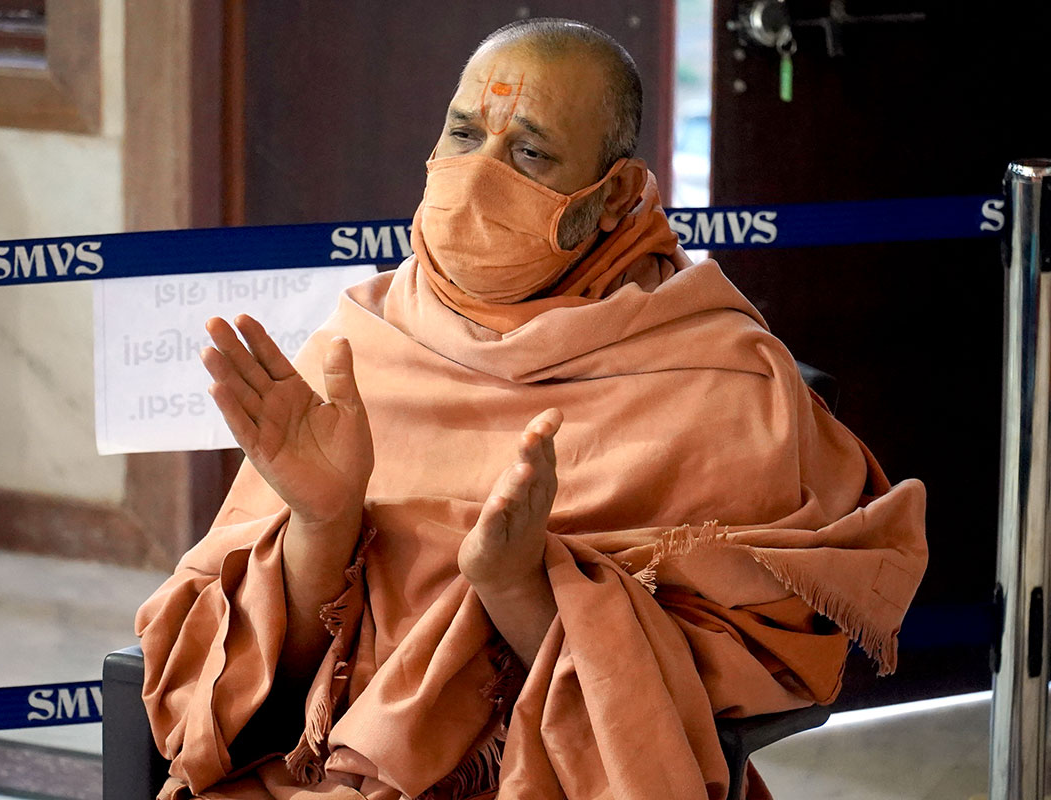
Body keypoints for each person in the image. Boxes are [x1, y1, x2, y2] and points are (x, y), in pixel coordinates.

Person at [136, 17, 927, 800]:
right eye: (463, 134)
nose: (476, 175)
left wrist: (518, 586)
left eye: (529, 154)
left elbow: (691, 711)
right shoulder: (361, 342)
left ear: (614, 194)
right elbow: (250, 701)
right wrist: (322, 524)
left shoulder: (723, 384)